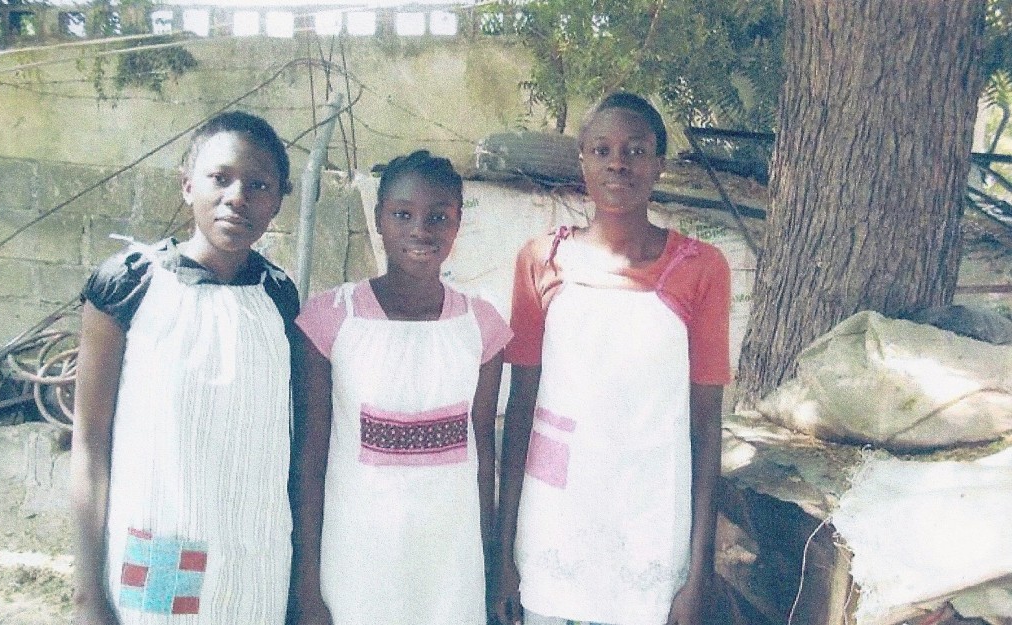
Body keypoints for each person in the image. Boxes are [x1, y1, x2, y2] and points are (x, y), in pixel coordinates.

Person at [495, 92, 731, 625]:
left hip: (648, 534)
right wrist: (504, 556)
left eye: (635, 150)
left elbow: (706, 423)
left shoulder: (702, 268)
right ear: (582, 158)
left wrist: (699, 573)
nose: (617, 163)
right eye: (601, 149)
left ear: (659, 164)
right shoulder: (540, 260)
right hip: (554, 528)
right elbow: (521, 409)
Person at [70, 111, 299, 624]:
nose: (237, 195)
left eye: (258, 184)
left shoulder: (279, 297)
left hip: (255, 567)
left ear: (279, 198)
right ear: (187, 184)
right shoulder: (131, 287)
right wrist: (88, 594)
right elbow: (90, 442)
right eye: (221, 178)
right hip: (160, 561)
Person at [289, 150, 512, 625]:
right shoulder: (331, 318)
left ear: (457, 225)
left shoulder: (481, 324)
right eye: (402, 214)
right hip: (356, 557)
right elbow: (310, 456)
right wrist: (305, 577)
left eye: (439, 217)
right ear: (378, 219)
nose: (420, 229)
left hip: (450, 563)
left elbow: (483, 448)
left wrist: (491, 559)